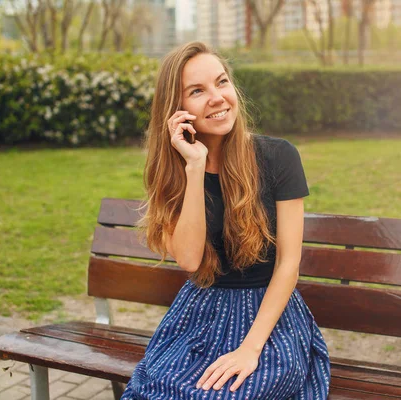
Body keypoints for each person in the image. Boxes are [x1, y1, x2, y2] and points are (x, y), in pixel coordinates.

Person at [121, 41, 330, 400]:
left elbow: (288, 265)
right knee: (164, 391)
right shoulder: (175, 171)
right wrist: (195, 167)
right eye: (197, 91)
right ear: (177, 109)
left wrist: (250, 349)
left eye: (221, 82)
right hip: (200, 315)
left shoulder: (278, 157)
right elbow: (189, 260)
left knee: (228, 393)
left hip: (269, 320)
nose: (217, 97)